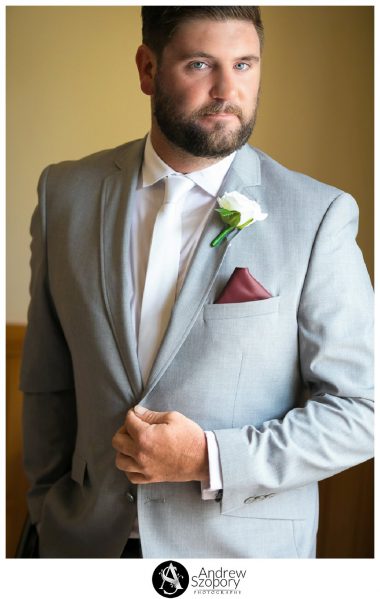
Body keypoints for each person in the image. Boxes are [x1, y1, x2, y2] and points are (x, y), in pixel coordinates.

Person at [20, 6, 373, 559]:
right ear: (147, 69)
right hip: (83, 547)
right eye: (201, 64)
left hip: (237, 557)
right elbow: (47, 378)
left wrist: (208, 457)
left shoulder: (318, 214)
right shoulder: (65, 194)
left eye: (245, 64)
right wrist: (45, 507)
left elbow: (361, 410)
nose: (227, 90)